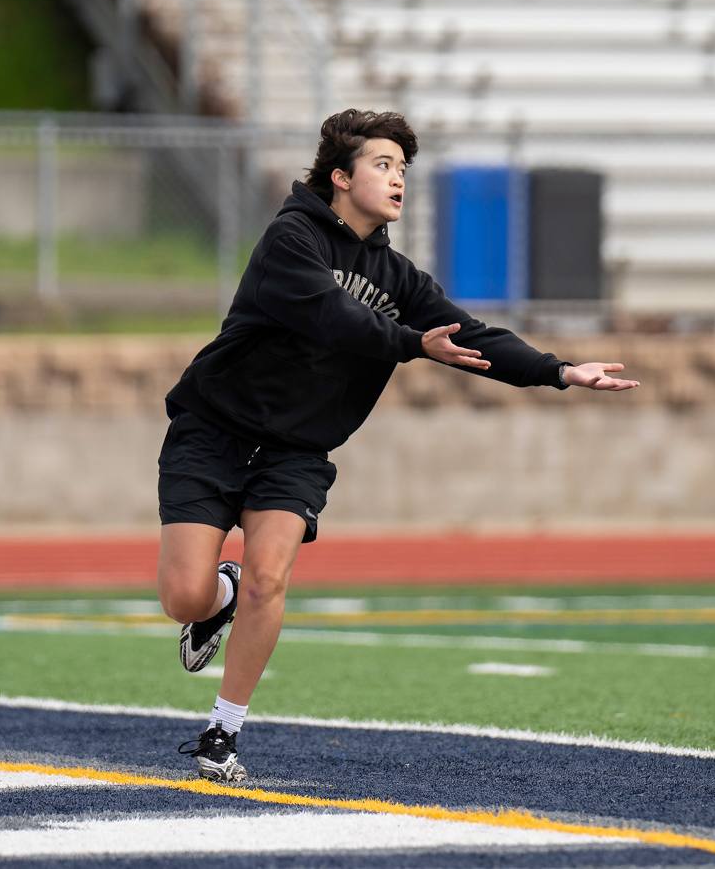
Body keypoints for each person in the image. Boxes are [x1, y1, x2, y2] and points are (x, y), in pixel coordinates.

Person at [161, 108, 638, 782]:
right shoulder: (291, 238)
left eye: (403, 169)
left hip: (296, 450)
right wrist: (412, 343)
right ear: (339, 177)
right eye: (382, 165)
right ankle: (219, 593)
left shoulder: (398, 277)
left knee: (271, 578)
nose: (397, 180)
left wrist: (558, 371)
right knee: (184, 597)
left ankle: (222, 733)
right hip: (213, 429)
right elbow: (331, 317)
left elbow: (470, 335)